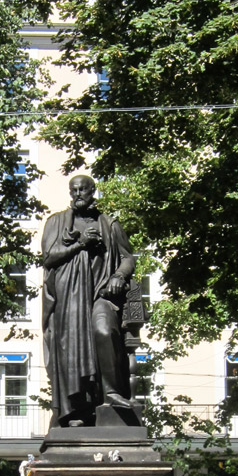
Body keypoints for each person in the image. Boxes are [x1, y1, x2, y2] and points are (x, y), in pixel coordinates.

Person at [42, 174, 138, 427]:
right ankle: (77, 411)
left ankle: (113, 393)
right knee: (71, 351)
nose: (77, 195)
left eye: (82, 190)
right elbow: (49, 257)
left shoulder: (109, 224)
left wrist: (119, 275)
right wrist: (81, 244)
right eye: (73, 190)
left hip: (101, 293)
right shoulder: (56, 222)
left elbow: (128, 257)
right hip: (69, 298)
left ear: (93, 190)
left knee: (104, 330)